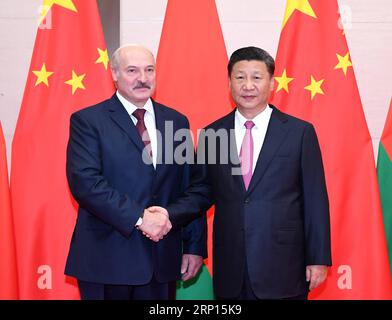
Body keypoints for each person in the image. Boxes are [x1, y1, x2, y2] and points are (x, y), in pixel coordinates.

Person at [149, 46, 332, 299]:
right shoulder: (212, 134)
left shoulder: (299, 133)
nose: (248, 85)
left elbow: (315, 200)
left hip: (284, 264)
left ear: (272, 83)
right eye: (240, 77)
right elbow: (202, 192)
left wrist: (318, 258)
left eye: (256, 77)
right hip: (231, 265)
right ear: (229, 83)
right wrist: (170, 212)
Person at [64, 44, 206, 300]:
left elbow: (191, 188)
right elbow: (85, 182)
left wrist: (194, 247)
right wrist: (141, 218)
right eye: (132, 70)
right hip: (107, 260)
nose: (142, 78)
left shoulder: (177, 122)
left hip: (161, 261)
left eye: (149, 70)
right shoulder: (88, 121)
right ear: (114, 74)